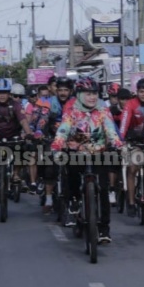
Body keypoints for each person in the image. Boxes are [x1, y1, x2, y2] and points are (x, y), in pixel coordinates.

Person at [51, 77, 123, 243]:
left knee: (103, 190)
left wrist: (118, 145)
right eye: (88, 94)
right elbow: (63, 131)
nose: (92, 97)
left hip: (99, 153)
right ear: (79, 95)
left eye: (94, 94)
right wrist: (57, 146)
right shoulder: (72, 112)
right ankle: (75, 201)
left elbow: (111, 131)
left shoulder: (103, 111)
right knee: (72, 174)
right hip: (77, 153)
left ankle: (104, 229)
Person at [0, 78, 34, 212]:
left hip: (13, 137)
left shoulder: (16, 105)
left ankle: (16, 174)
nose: (2, 95)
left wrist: (28, 133)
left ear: (9, 93)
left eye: (5, 92)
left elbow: (23, 120)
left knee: (24, 147)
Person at [119, 78, 144, 216]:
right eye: (141, 91)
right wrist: (120, 140)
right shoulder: (130, 104)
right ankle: (130, 202)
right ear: (137, 92)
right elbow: (124, 124)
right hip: (135, 141)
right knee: (132, 168)